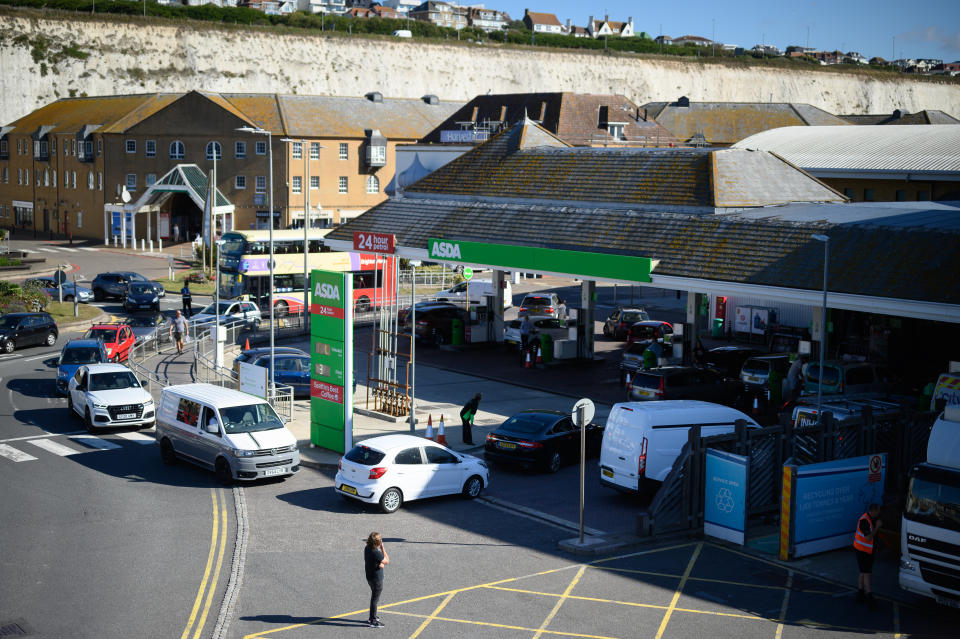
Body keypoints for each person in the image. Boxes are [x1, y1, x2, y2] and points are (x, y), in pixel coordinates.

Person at [853, 503, 883, 606]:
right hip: (862, 550)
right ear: (873, 511)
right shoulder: (864, 520)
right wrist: (877, 527)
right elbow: (868, 537)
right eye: (878, 511)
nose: (879, 513)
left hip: (867, 550)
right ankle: (869, 595)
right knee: (867, 573)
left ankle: (860, 592)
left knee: (863, 571)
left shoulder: (873, 518)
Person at [364, 532, 389, 628]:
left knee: (374, 597)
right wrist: (382, 548)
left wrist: (380, 564)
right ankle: (372, 620)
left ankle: (372, 617)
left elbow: (373, 561)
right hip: (376, 580)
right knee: (375, 599)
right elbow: (387, 560)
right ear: (378, 542)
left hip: (370, 577)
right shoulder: (376, 552)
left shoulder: (367, 548)